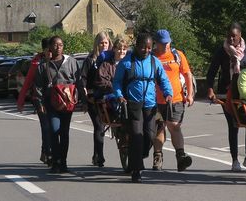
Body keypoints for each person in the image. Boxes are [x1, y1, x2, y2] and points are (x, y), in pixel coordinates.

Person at [112, 32, 173, 183]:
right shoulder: (126, 62)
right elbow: (117, 82)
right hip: (132, 104)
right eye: (142, 47)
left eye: (148, 47)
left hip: (150, 105)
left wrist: (168, 93)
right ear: (136, 46)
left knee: (150, 136)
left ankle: (139, 154)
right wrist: (119, 95)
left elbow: (163, 80)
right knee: (136, 136)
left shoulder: (154, 62)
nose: (145, 50)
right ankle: (136, 170)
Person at [205, 22, 246, 172]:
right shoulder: (222, 51)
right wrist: (210, 89)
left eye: (234, 36)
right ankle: (234, 160)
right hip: (227, 93)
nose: (231, 39)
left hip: (245, 92)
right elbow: (212, 71)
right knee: (234, 124)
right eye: (229, 36)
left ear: (240, 36)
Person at [35, 36, 81, 173]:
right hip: (51, 104)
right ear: (50, 47)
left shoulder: (71, 62)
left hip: (67, 103)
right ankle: (56, 162)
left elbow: (78, 82)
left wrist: (83, 100)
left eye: (60, 44)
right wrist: (40, 103)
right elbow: (38, 87)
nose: (58, 47)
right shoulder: (43, 66)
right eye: (55, 45)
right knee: (54, 131)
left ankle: (64, 162)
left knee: (64, 132)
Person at [151, 29, 194, 172]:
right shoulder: (151, 57)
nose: (166, 46)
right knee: (159, 127)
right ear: (156, 43)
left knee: (175, 126)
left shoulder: (178, 55)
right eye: (163, 43)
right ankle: (158, 157)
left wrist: (190, 94)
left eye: (167, 42)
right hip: (156, 100)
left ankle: (180, 157)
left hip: (176, 98)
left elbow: (187, 74)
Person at [80, 31, 114, 168]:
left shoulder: (112, 58)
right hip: (94, 98)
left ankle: (96, 154)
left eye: (106, 42)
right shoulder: (90, 60)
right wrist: (84, 97)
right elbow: (82, 79)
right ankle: (99, 156)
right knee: (99, 126)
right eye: (101, 42)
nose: (104, 45)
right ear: (97, 44)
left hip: (110, 95)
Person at [17, 38, 51, 165]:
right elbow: (27, 82)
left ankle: (45, 151)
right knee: (46, 126)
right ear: (44, 50)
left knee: (51, 127)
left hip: (54, 98)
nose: (51, 53)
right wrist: (21, 101)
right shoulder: (36, 63)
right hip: (39, 98)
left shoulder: (58, 61)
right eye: (48, 50)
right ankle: (48, 153)